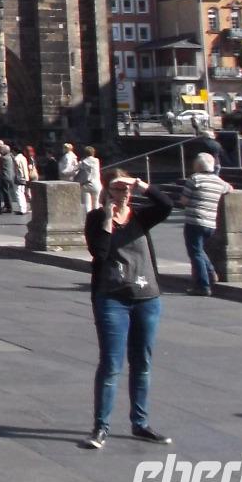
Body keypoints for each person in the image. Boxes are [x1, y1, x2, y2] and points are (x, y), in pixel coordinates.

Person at [80, 167, 174, 450]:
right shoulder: (96, 218)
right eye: (118, 188)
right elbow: (99, 252)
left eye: (126, 189)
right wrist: (108, 218)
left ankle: (140, 423)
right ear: (107, 190)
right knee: (111, 364)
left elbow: (166, 205)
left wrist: (139, 183)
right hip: (112, 299)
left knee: (142, 362)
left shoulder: (141, 217)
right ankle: (101, 427)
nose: (123, 193)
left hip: (147, 298)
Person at [177, 153, 232, 297]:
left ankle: (203, 285)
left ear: (197, 165)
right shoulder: (218, 181)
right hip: (210, 223)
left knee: (195, 252)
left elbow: (184, 200)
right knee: (200, 251)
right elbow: (230, 188)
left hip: (194, 221)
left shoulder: (194, 179)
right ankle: (211, 272)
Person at [78, 146, 102, 215]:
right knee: (96, 203)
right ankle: (97, 218)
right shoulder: (96, 160)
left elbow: (75, 169)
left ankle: (88, 218)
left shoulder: (82, 162)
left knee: (87, 205)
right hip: (96, 184)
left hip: (85, 184)